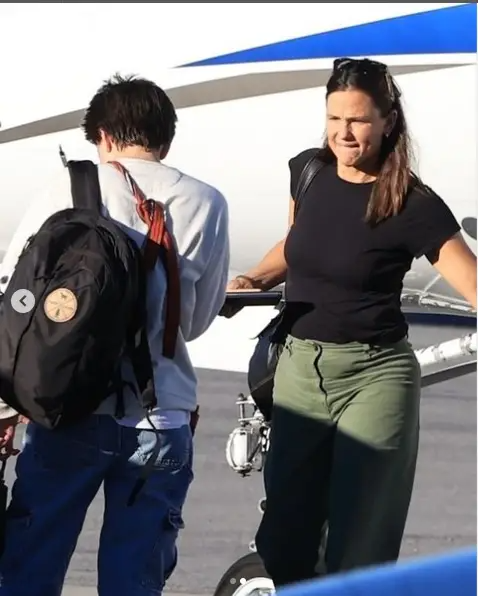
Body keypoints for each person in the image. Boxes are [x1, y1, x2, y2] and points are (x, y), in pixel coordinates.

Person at [226, 57, 477, 587]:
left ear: (387, 122)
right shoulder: (308, 171)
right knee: (285, 538)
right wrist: (254, 279)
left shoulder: (413, 203)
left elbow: (473, 284)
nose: (343, 132)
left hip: (375, 376)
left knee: (358, 541)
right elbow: (297, 246)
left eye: (358, 120)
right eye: (334, 118)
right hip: (299, 369)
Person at [0, 74, 230, 595]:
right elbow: (195, 322)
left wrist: (6, 409)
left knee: (30, 567)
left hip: (67, 413)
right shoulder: (206, 202)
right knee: (135, 579)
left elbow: (13, 305)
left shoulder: (65, 190)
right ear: (166, 139)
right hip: (161, 415)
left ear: (102, 135)